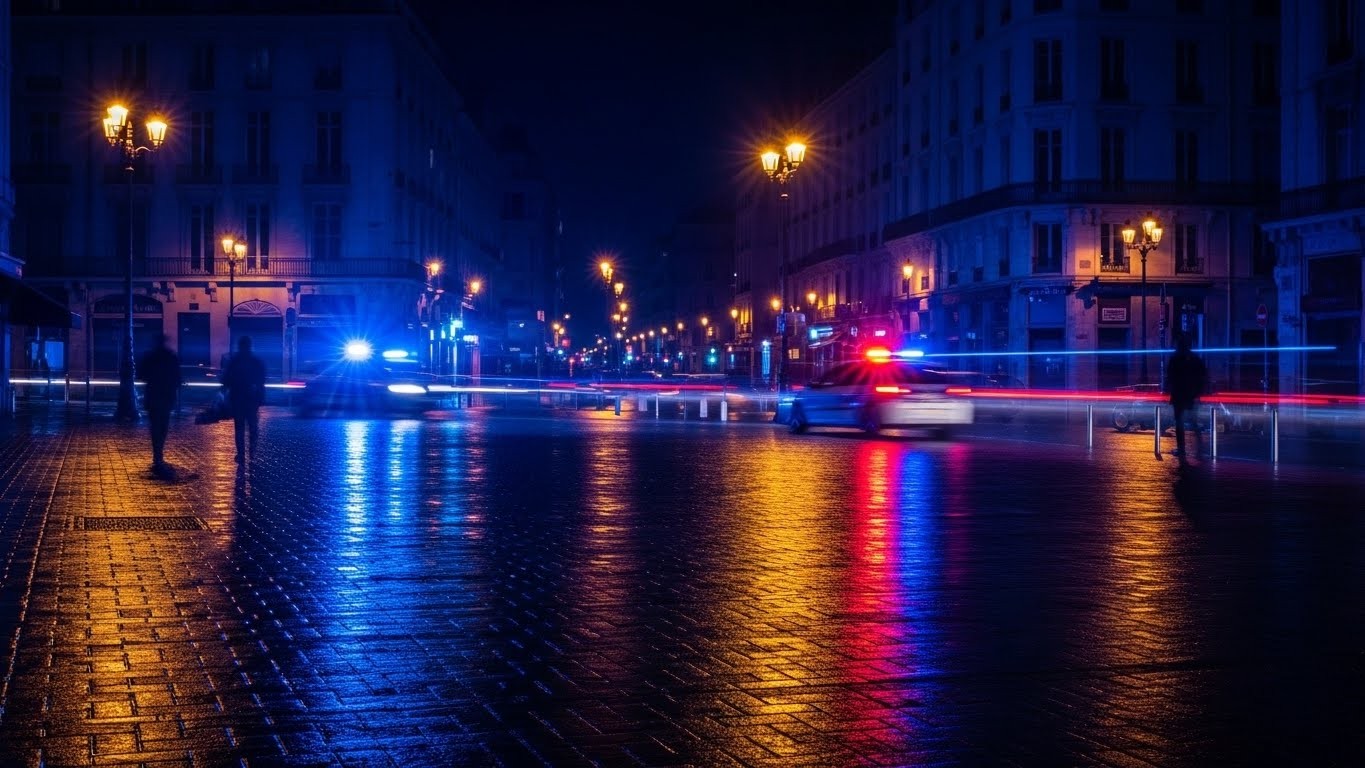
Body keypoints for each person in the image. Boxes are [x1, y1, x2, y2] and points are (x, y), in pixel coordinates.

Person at [136, 334, 181, 473]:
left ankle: (157, 454)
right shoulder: (171, 356)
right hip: (166, 395)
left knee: (155, 425)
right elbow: (177, 377)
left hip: (153, 395)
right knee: (163, 426)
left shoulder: (150, 357)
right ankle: (159, 452)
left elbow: (140, 374)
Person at [222, 335, 266, 463]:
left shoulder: (234, 361)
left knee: (239, 429)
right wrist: (261, 397)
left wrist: (226, 392)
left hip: (238, 399)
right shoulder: (255, 361)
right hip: (251, 400)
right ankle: (252, 452)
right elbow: (261, 380)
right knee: (253, 428)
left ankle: (241, 454)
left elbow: (226, 379)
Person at [1164, 333, 1207, 464]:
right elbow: (1202, 376)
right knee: (1193, 422)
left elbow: (1170, 376)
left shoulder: (1175, 359)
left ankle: (1182, 449)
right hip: (1191, 394)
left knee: (1180, 424)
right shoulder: (1195, 359)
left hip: (1179, 395)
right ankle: (1199, 448)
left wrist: (1170, 389)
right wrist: (1198, 392)